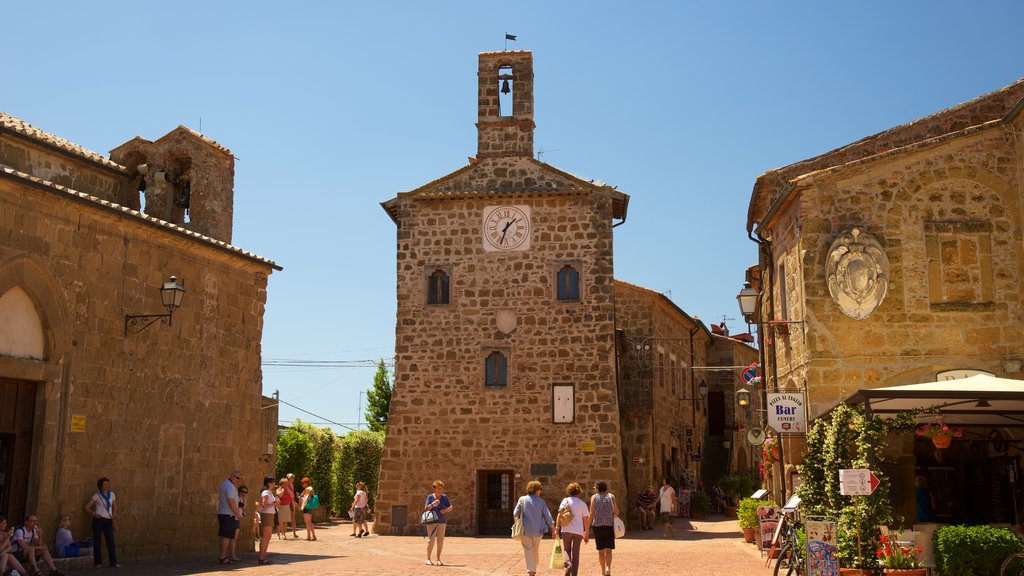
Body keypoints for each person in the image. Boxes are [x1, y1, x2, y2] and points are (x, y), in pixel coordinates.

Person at [513, 480, 555, 576]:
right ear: (536, 490)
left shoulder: (522, 499)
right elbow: (547, 516)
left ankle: (531, 570)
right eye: (540, 489)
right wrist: (553, 528)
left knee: (528, 549)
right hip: (538, 531)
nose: (541, 491)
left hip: (525, 530)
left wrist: (518, 525)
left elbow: (516, 513)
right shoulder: (541, 502)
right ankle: (533, 568)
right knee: (535, 549)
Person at [556, 482, 590, 576]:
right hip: (578, 531)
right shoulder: (582, 504)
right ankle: (574, 574)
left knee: (566, 549)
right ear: (578, 491)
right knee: (576, 553)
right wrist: (586, 532)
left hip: (566, 529)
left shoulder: (565, 501)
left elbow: (560, 514)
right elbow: (586, 520)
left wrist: (557, 528)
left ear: (569, 491)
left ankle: (568, 564)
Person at [84, 476, 118, 568]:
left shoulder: (112, 494)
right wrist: (94, 514)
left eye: (108, 483)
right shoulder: (97, 496)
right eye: (105, 484)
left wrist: (113, 515)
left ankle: (113, 562)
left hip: (108, 520)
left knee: (110, 541)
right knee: (97, 541)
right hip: (98, 520)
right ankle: (98, 563)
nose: (107, 485)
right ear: (101, 486)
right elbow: (87, 507)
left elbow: (115, 506)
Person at [589, 481, 619, 576]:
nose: (594, 490)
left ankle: (602, 572)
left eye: (595, 488)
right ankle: (608, 568)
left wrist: (586, 528)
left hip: (597, 527)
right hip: (609, 526)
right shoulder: (611, 497)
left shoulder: (594, 498)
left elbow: (591, 514)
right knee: (609, 550)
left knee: (601, 551)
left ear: (598, 488)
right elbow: (617, 512)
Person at [423, 480, 453, 566]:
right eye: (438, 488)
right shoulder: (430, 497)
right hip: (431, 522)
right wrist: (433, 503)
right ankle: (428, 559)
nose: (440, 490)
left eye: (441, 488)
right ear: (434, 488)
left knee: (440, 541)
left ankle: (438, 559)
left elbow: (451, 507)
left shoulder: (444, 497)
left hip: (442, 522)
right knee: (431, 540)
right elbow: (426, 508)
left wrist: (446, 510)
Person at [217, 469, 243, 565]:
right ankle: (223, 557)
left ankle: (222, 556)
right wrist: (237, 514)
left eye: (239, 478)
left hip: (223, 513)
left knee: (223, 535)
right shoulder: (230, 486)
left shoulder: (224, 484)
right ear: (232, 476)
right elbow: (231, 501)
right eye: (237, 477)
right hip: (228, 514)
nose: (238, 480)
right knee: (227, 536)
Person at [258, 477, 278, 565]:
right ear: (269, 483)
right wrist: (274, 503)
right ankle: (261, 558)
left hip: (270, 514)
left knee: (268, 536)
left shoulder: (269, 492)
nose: (274, 484)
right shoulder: (266, 492)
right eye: (272, 482)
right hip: (266, 515)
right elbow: (264, 504)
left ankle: (263, 557)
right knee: (266, 537)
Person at [230, 485, 248, 562]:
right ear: (239, 492)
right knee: (233, 538)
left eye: (245, 492)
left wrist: (245, 499)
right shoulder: (236, 498)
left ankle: (232, 554)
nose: (244, 493)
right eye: (242, 491)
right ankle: (232, 555)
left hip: (237, 519)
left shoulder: (241, 499)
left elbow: (244, 508)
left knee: (234, 538)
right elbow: (239, 507)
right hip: (234, 519)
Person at [298, 477, 317, 541]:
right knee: (309, 522)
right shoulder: (310, 489)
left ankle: (309, 536)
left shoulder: (308, 489)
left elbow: (305, 498)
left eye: (303, 483)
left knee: (307, 522)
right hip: (309, 506)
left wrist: (300, 497)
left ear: (306, 483)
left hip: (306, 506)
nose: (302, 485)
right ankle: (312, 536)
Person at [286, 473, 299, 538]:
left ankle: (294, 533)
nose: (293, 479)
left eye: (293, 477)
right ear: (289, 478)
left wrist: (294, 501)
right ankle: (283, 534)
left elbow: (292, 495)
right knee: (285, 518)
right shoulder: (285, 485)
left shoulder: (292, 485)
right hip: (286, 502)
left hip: (291, 502)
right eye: (292, 477)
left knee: (293, 518)